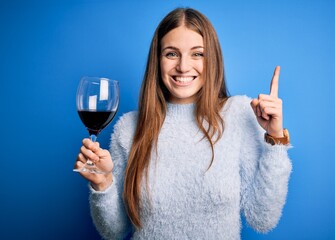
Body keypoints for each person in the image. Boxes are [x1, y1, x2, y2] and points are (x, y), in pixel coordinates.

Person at [74, 7, 292, 240]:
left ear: (213, 60)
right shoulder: (129, 128)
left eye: (197, 54)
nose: (184, 67)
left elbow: (262, 219)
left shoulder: (239, 114)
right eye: (171, 54)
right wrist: (103, 183)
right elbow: (114, 231)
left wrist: (275, 139)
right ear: (157, 60)